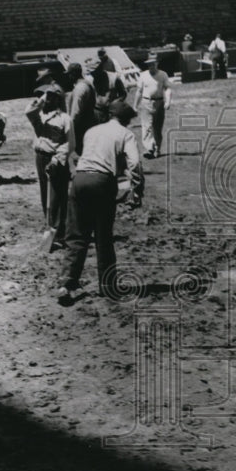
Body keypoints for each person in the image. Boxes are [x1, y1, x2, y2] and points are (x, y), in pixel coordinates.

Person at [57, 100, 144, 305]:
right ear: (125, 119)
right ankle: (107, 286)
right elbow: (135, 163)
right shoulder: (125, 134)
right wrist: (137, 190)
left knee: (76, 235)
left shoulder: (91, 131)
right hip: (102, 181)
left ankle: (66, 283)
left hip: (79, 180)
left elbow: (81, 155)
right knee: (103, 236)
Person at [26, 85, 72, 249]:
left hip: (56, 159)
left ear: (58, 99)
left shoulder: (65, 118)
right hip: (41, 157)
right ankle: (50, 228)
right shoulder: (38, 115)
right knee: (45, 195)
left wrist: (57, 159)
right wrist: (42, 99)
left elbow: (69, 143)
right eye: (45, 96)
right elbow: (28, 111)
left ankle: (60, 233)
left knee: (57, 197)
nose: (47, 99)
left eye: (51, 96)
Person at [132, 54, 173, 159]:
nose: (151, 66)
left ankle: (157, 149)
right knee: (147, 127)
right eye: (149, 65)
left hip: (159, 103)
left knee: (157, 128)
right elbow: (139, 91)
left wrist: (167, 101)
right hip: (146, 103)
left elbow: (167, 88)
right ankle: (149, 149)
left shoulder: (163, 75)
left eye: (153, 64)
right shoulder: (143, 75)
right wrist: (135, 106)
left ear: (157, 64)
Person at [66, 62, 96, 157]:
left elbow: (75, 113)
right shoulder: (87, 84)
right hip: (89, 123)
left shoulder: (80, 88)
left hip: (81, 127)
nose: (69, 77)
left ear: (73, 74)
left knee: (82, 153)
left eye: (69, 74)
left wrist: (70, 131)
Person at [91, 49, 127, 124]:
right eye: (92, 72)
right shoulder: (91, 80)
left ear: (101, 68)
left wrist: (115, 102)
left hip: (111, 111)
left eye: (95, 71)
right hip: (97, 112)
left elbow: (123, 94)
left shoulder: (114, 78)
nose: (93, 74)